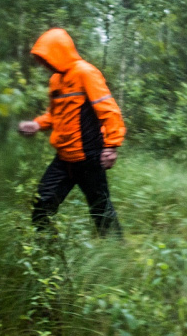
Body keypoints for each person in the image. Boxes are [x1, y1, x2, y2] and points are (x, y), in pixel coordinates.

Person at [18, 28, 126, 237]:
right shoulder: (55, 81)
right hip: (64, 158)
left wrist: (112, 145)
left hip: (89, 157)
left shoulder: (85, 72)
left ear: (59, 52)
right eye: (41, 59)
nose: (44, 64)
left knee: (100, 209)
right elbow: (54, 115)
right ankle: (46, 253)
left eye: (45, 58)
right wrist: (37, 124)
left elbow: (108, 109)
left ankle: (117, 254)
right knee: (41, 204)